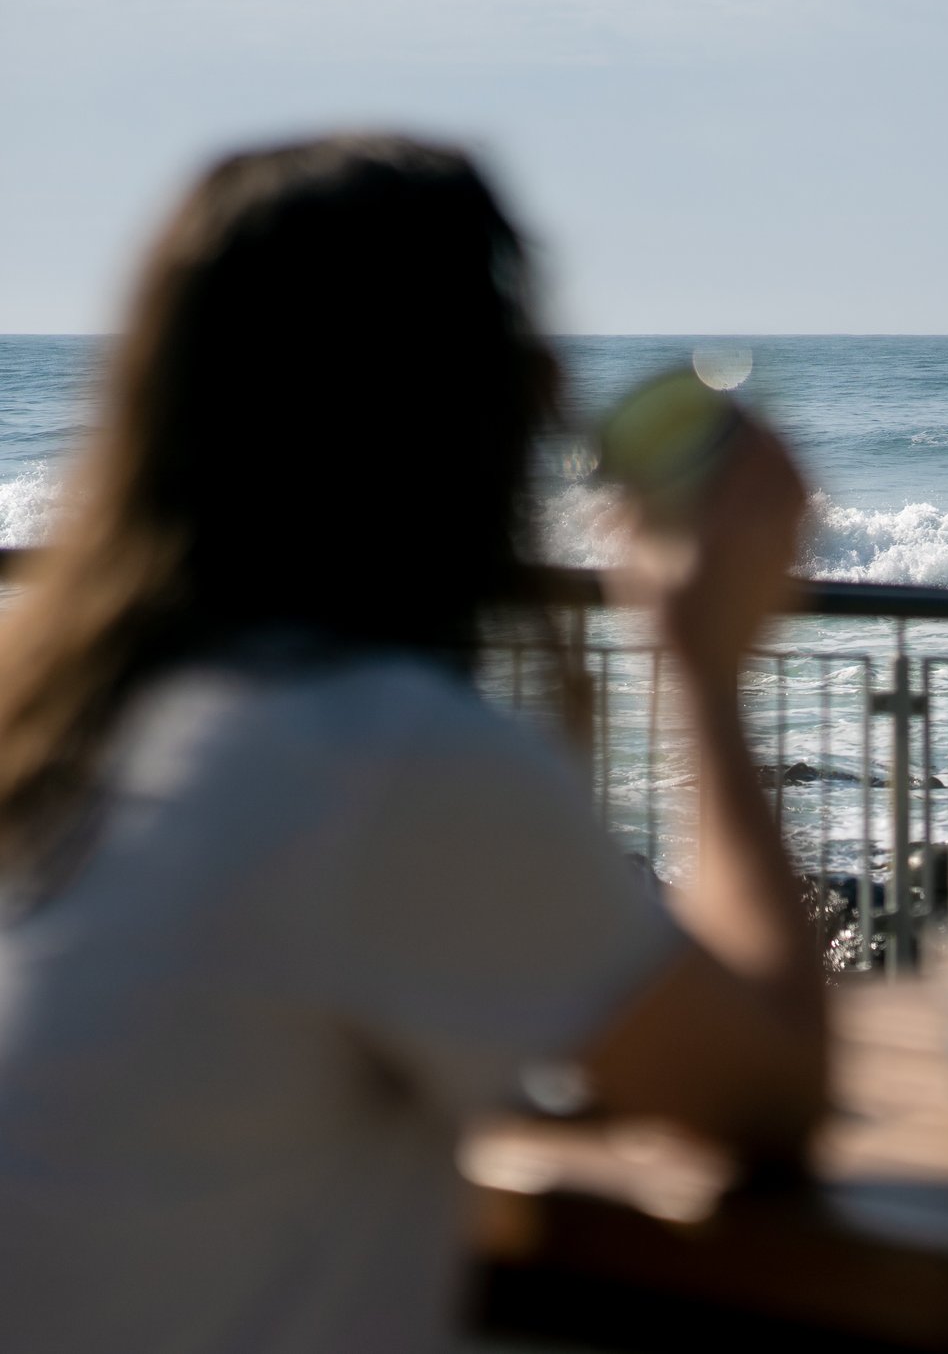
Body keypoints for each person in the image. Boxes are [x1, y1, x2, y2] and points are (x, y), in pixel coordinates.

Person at [0, 137, 827, 1354]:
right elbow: (765, 1092)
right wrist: (696, 668)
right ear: (454, 408)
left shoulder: (67, 727)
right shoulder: (370, 756)